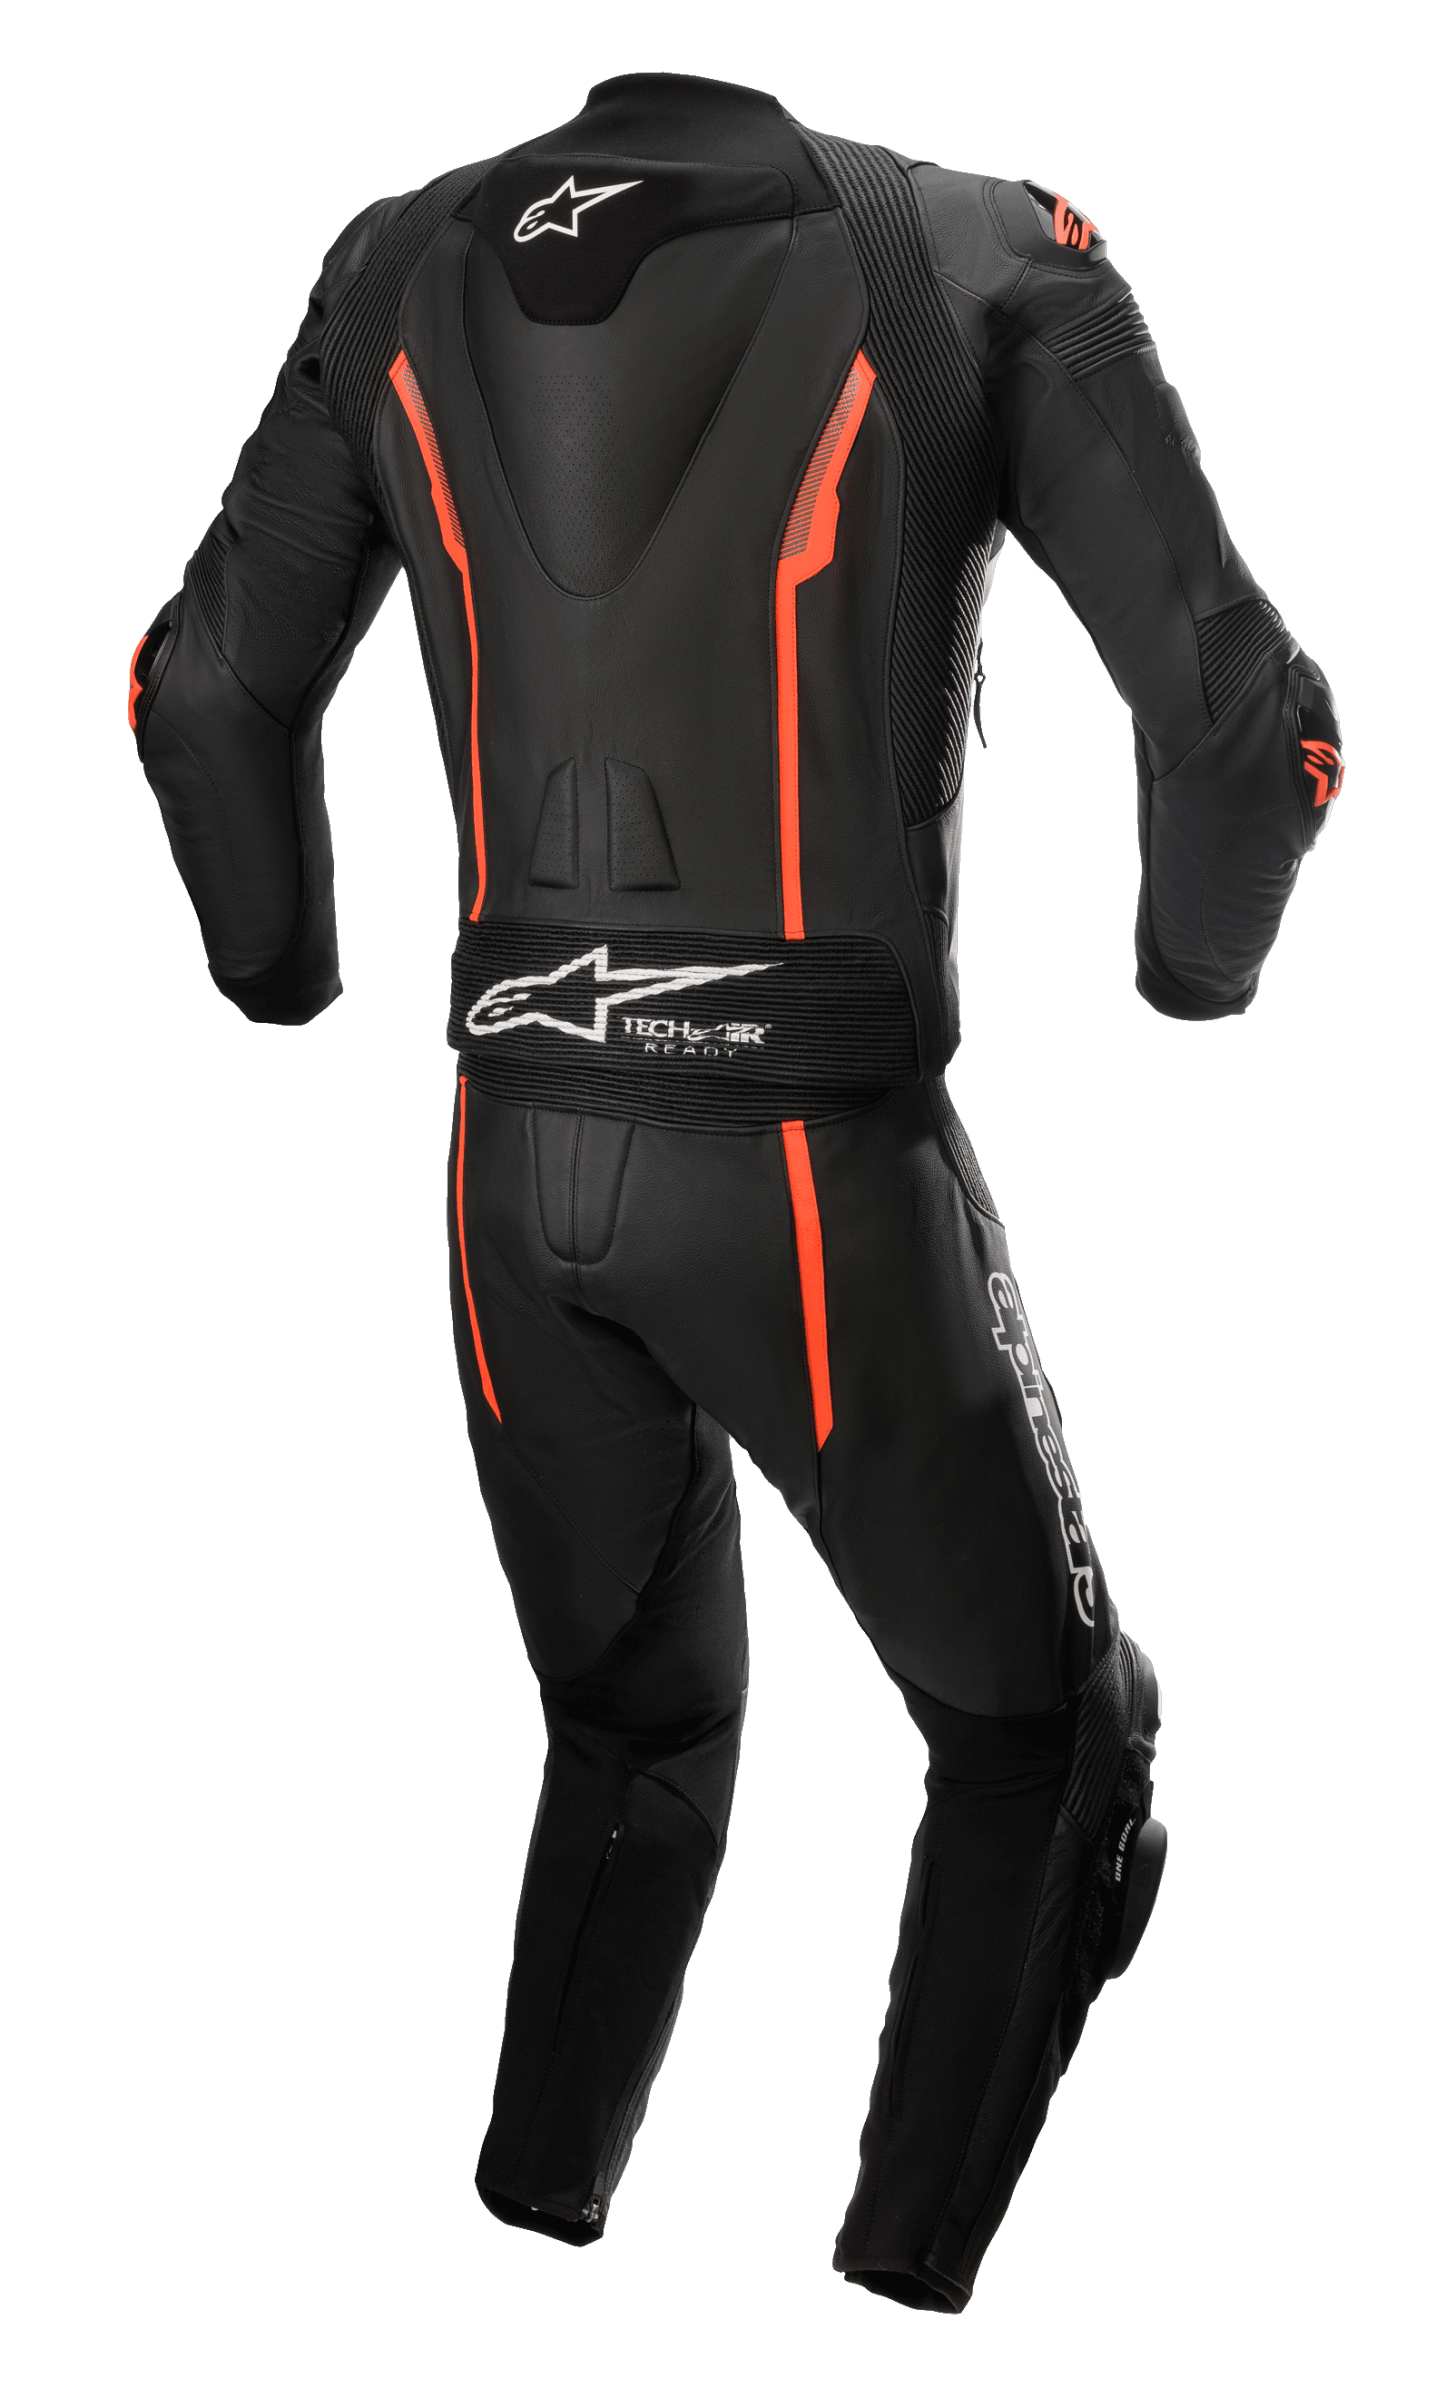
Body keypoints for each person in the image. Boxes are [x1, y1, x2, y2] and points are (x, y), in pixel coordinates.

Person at [128, 72, 1341, 2312]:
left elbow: (198, 697)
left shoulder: (394, 259)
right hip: (809, 1174)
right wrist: (1197, 980)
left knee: (635, 1725)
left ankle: (531, 2212)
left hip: (511, 1180)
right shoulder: (973, 253)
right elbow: (1249, 728)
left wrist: (274, 973)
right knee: (1053, 1740)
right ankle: (898, 2279)